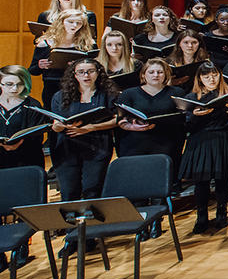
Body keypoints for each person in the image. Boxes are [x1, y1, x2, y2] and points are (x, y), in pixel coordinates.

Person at [179, 63, 228, 234]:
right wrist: (194, 116)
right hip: (201, 140)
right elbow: (186, 126)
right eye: (206, 77)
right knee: (201, 181)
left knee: (222, 179)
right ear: (200, 79)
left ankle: (222, 212)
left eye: (214, 75)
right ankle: (202, 216)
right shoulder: (192, 97)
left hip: (222, 138)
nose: (211, 79)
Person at [49, 59, 119, 201]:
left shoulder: (108, 94)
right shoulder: (60, 96)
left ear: (98, 73)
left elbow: (117, 120)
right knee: (69, 191)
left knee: (93, 189)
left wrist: (91, 127)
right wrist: (59, 126)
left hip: (97, 146)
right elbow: (55, 124)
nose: (86, 75)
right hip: (67, 147)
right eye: (81, 72)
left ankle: (92, 216)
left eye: (90, 71)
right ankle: (71, 216)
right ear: (74, 75)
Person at [116, 58, 186, 170]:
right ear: (143, 75)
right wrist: (133, 126)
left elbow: (182, 118)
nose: (156, 75)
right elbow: (120, 120)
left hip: (167, 142)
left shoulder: (177, 92)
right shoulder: (128, 93)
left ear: (166, 75)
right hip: (135, 143)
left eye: (160, 72)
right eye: (151, 72)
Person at [31, 7, 97, 109]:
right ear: (61, 22)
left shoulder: (88, 44)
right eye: (70, 22)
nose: (74, 25)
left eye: (78, 23)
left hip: (79, 87)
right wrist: (40, 65)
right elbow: (33, 70)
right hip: (52, 86)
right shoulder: (45, 43)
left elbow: (96, 67)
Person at [0, 65, 46, 170]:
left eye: (20, 84)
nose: (15, 88)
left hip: (25, 160)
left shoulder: (33, 105)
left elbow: (37, 137)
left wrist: (20, 143)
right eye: (9, 84)